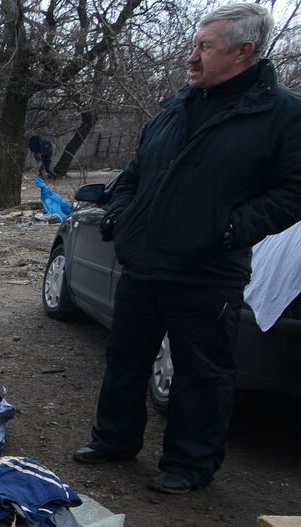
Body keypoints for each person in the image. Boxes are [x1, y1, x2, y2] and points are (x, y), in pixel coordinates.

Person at [77, 3, 301, 494]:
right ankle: (114, 440)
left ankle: (189, 464)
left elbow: (292, 192)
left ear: (245, 51)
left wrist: (228, 229)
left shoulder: (282, 113)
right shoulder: (179, 104)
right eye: (194, 46)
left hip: (208, 269)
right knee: (126, 357)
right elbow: (139, 170)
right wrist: (121, 212)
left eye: (204, 48)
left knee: (201, 371)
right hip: (145, 260)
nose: (192, 57)